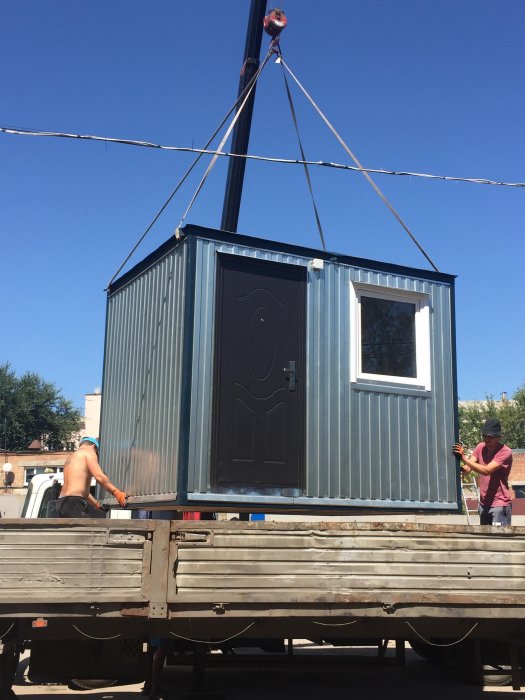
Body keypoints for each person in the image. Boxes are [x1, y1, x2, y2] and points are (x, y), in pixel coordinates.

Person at [453, 418, 513, 526]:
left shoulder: (505, 452)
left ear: (499, 437)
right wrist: (457, 468)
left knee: (498, 536)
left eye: (490, 437)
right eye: (485, 436)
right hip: (484, 504)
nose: (487, 439)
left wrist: (464, 458)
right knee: (485, 536)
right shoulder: (480, 447)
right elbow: (468, 468)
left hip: (500, 504)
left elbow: (487, 470)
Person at [56, 437, 127, 518]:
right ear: (93, 446)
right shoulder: (88, 452)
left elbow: (82, 491)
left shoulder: (72, 457)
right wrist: (116, 492)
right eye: (96, 452)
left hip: (62, 502)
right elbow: (99, 476)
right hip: (74, 502)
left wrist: (96, 504)